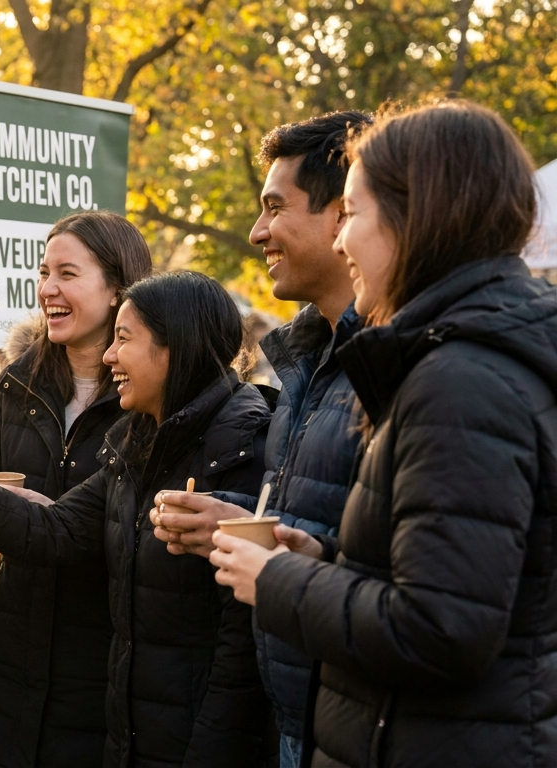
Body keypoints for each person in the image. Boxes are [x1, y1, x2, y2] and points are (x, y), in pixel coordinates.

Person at [210, 100, 557, 767]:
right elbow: (458, 574)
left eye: (356, 213)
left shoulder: (460, 380)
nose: (343, 241)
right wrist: (328, 559)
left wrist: (280, 580)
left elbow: (442, 629)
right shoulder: (463, 360)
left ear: (418, 214)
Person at [0, 271, 278, 767]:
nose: (110, 357)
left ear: (176, 348)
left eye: (124, 340)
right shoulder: (137, 444)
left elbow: (242, 658)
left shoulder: (246, 448)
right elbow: (53, 531)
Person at [149, 110, 372, 768]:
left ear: (343, 214)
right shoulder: (310, 360)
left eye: (275, 208)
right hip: (301, 725)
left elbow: (438, 600)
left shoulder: (401, 367)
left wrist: (281, 566)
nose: (257, 232)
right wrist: (245, 523)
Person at [0, 212, 151, 768]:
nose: (47, 290)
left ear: (117, 290)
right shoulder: (18, 382)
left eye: (67, 273)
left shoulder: (152, 397)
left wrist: (47, 519)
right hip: (12, 650)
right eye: (43, 272)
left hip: (104, 661)